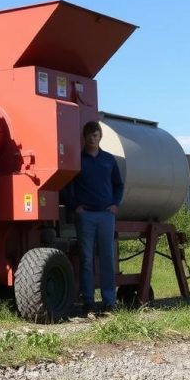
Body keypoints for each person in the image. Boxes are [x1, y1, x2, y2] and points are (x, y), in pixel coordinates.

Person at [63, 121, 124, 315]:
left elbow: (118, 184)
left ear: (100, 137)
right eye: (89, 135)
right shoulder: (78, 160)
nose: (92, 138)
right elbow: (65, 186)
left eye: (96, 135)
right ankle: (88, 300)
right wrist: (74, 206)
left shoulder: (108, 160)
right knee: (87, 258)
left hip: (106, 215)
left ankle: (109, 300)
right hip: (86, 215)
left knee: (107, 257)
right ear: (84, 137)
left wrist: (115, 204)